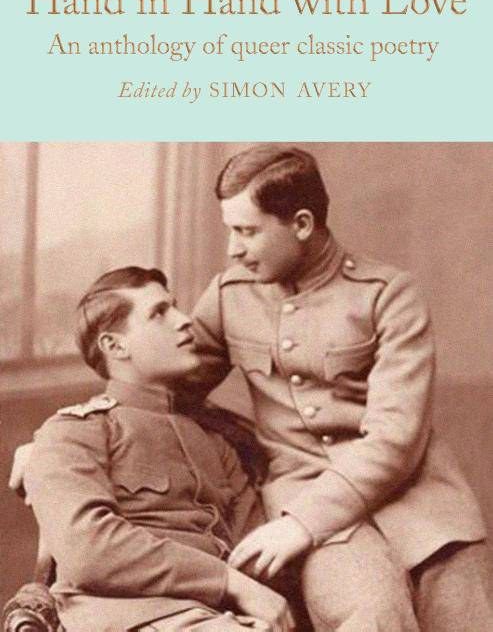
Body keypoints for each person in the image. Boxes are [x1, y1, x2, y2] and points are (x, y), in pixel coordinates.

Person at [184, 144, 493, 631]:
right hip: (307, 498)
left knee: (466, 617)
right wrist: (75, 431)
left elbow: (396, 438)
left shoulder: (388, 295)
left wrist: (300, 524)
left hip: (420, 500)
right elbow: (164, 387)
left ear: (302, 224)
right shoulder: (230, 296)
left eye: (247, 231)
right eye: (230, 230)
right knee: (371, 614)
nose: (232, 249)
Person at [22, 266, 295, 632]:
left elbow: (253, 546)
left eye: (175, 307)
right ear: (115, 346)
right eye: (159, 313)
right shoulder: (74, 432)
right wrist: (228, 582)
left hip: (223, 618)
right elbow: (88, 551)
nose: (184, 321)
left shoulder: (214, 440)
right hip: (130, 617)